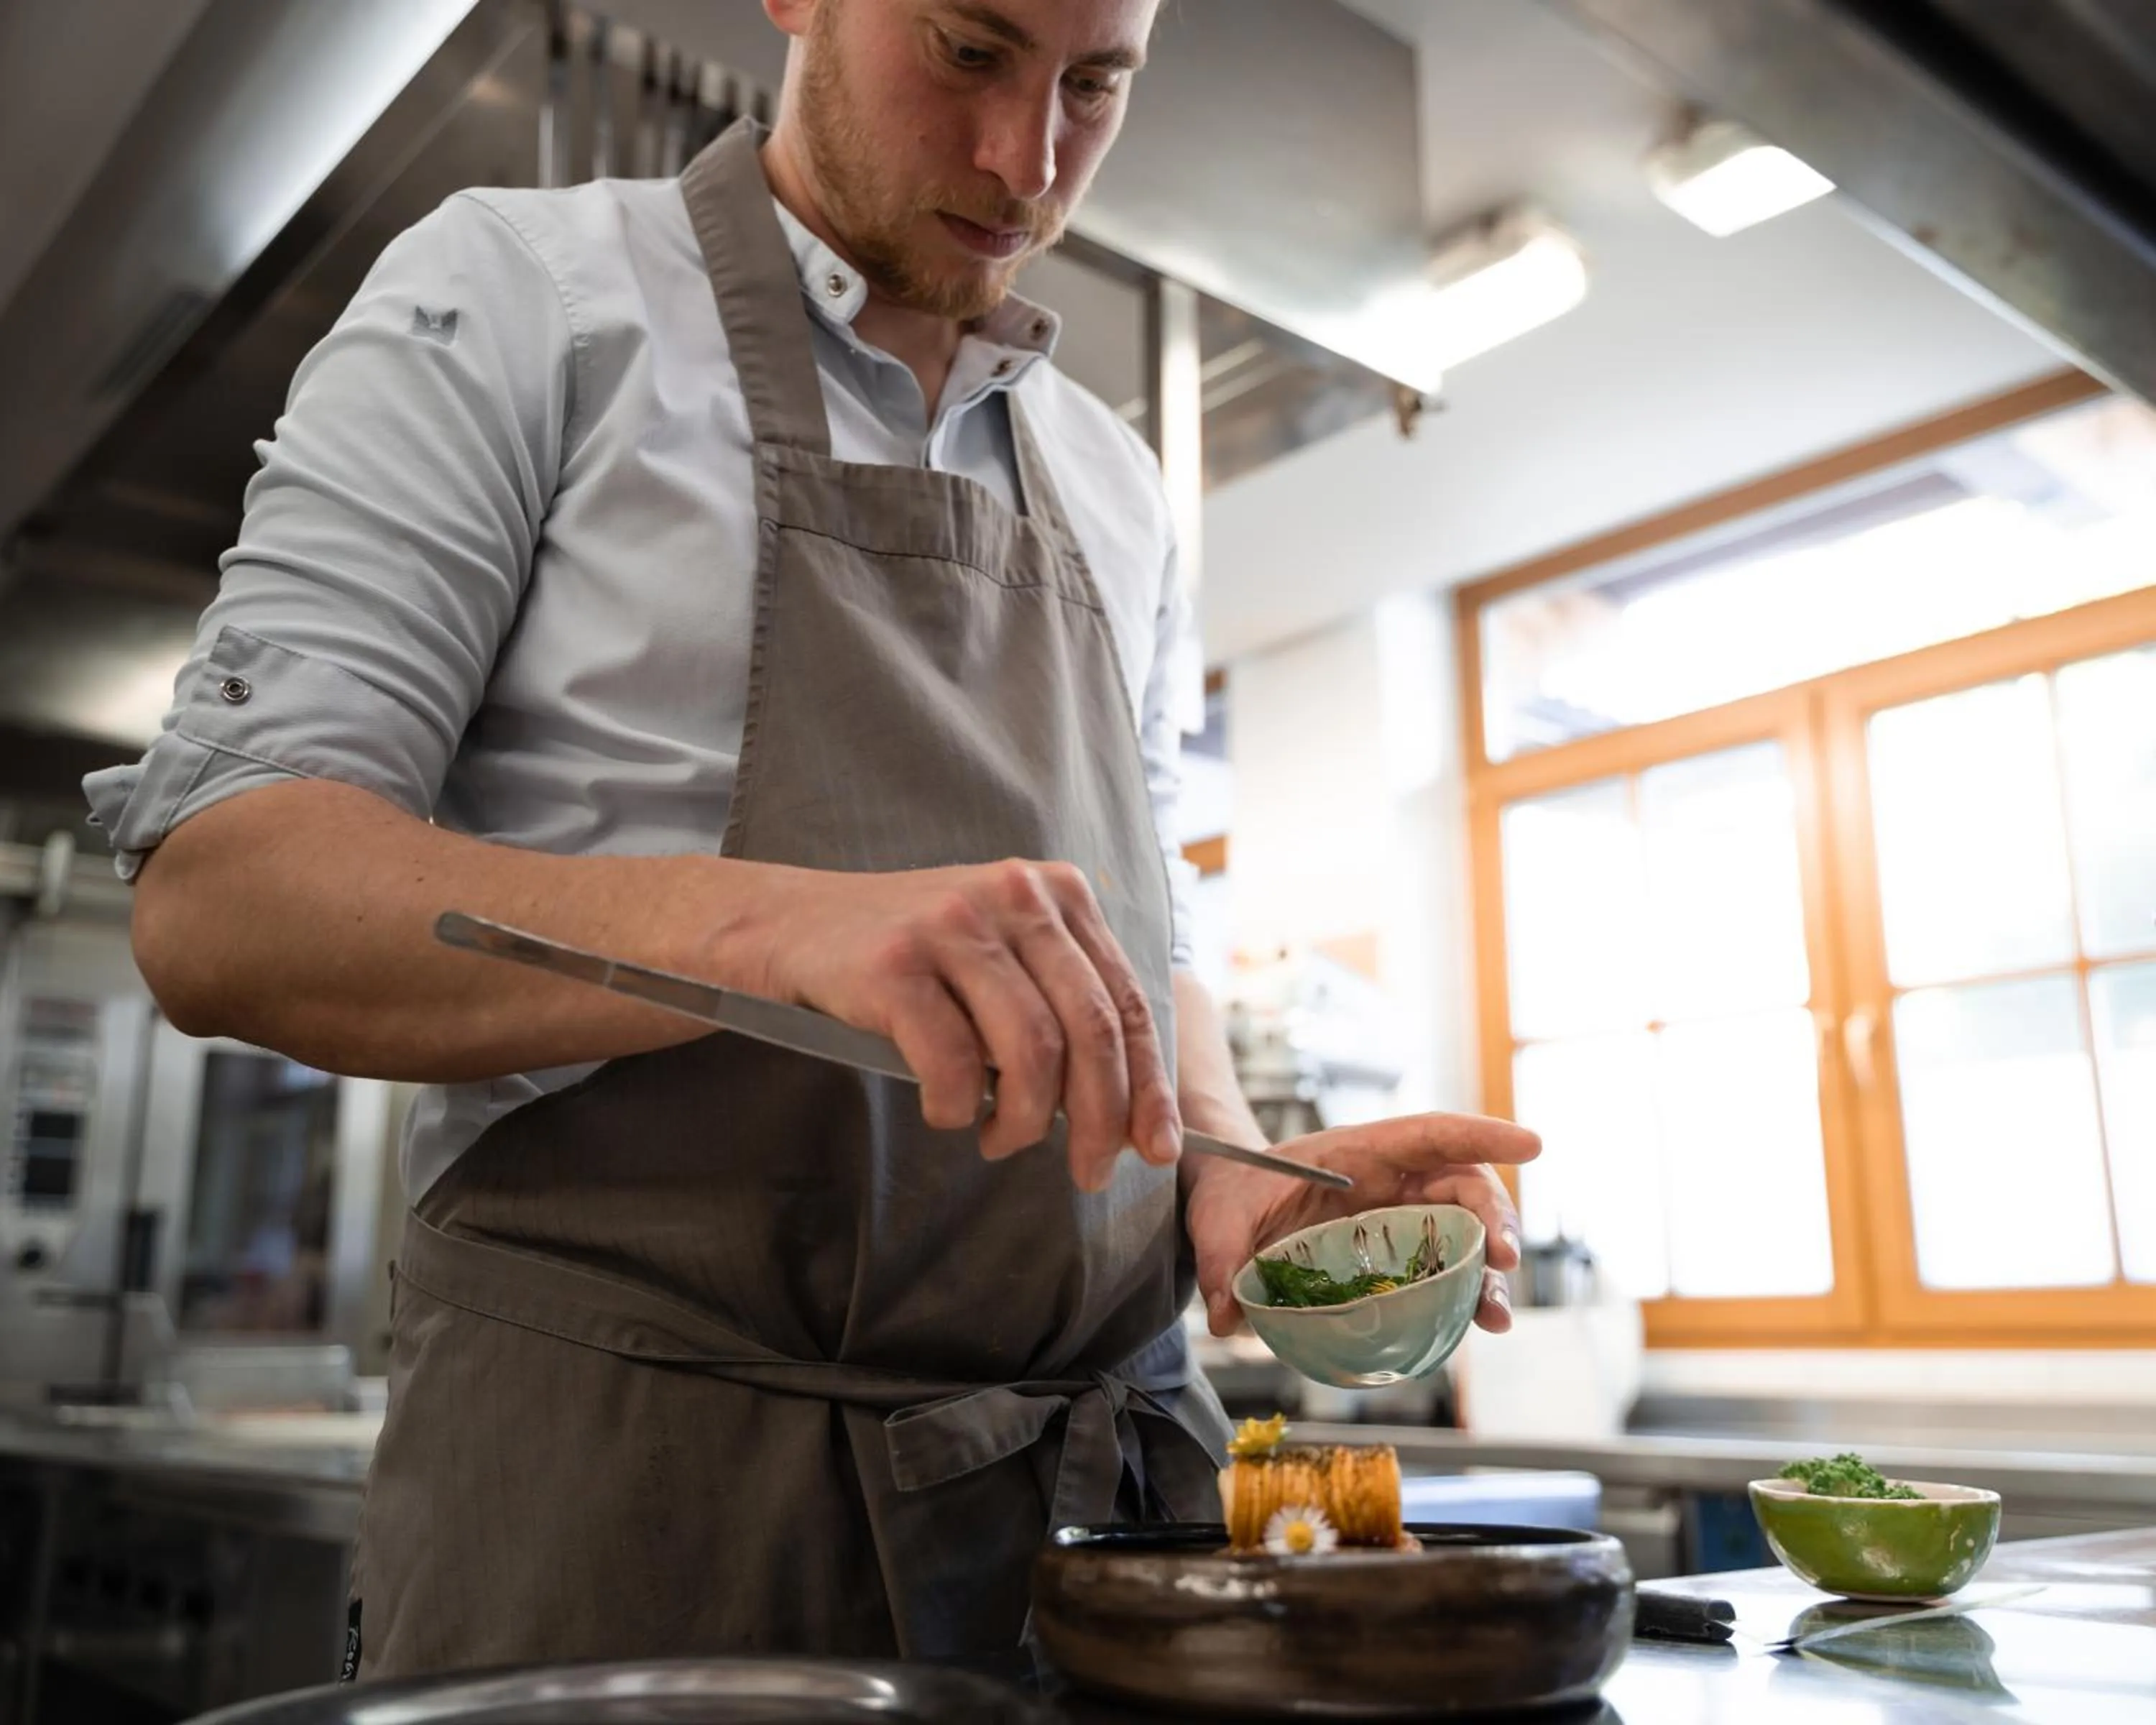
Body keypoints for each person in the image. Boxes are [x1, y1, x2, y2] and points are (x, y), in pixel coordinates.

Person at [88, 0, 1537, 1675]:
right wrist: (759, 931)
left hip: (1103, 1531)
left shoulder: (1115, 479)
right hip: (654, 1528)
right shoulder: (524, 297)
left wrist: (1223, 1164)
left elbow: (1159, 929)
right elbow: (223, 899)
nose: (1027, 158)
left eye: (1095, 85)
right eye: (969, 51)